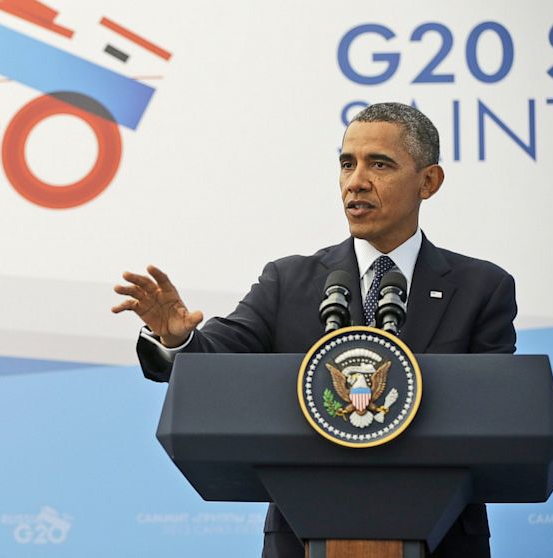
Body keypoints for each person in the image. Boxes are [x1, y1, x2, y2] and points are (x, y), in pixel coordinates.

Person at [111, 102, 516, 558]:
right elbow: (214, 358)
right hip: (302, 541)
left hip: (442, 541)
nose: (356, 181)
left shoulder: (482, 288)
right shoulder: (290, 281)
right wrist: (176, 338)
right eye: (347, 164)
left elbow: (493, 417)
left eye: (379, 164)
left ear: (429, 182)